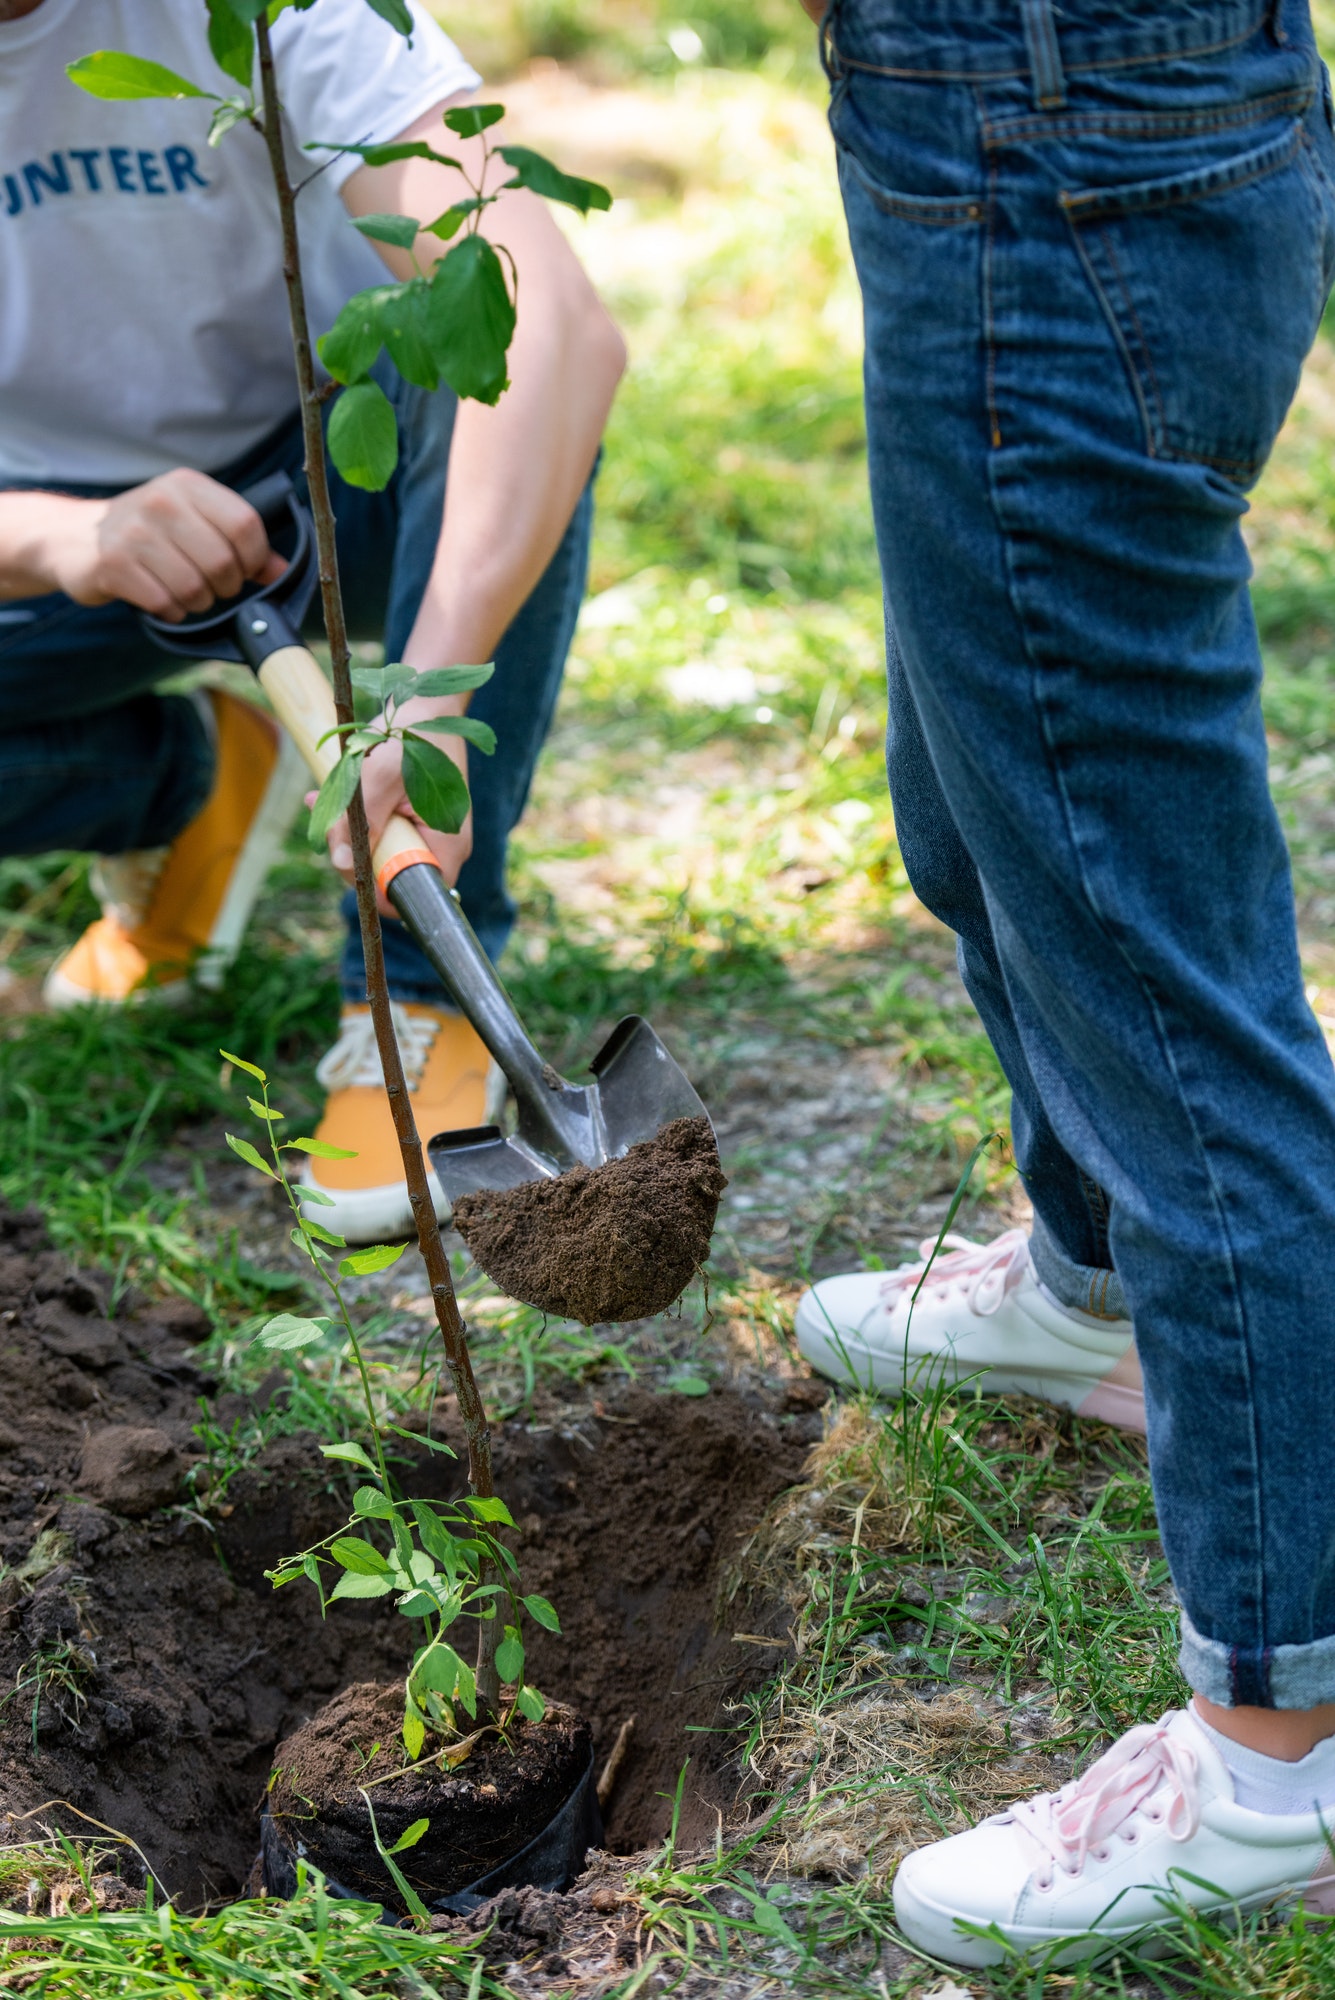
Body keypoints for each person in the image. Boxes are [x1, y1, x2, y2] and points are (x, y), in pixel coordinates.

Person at [795, 0, 1335, 1968]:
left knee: (1160, 985)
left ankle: (1278, 1742)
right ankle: (1080, 1279)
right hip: (1013, 121)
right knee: (972, 802)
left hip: (1049, 145)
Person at [0, 0, 625, 1242]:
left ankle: (415, 995)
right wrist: (63, 537)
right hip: (54, 546)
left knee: (487, 368)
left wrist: (429, 697)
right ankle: (172, 787)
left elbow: (547, 320)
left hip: (336, 463)